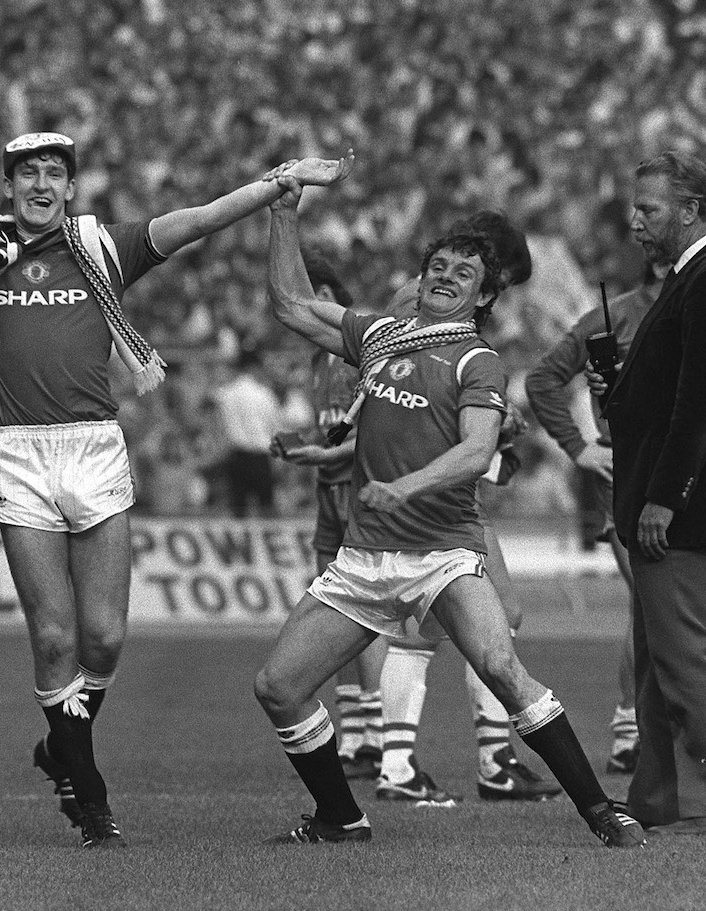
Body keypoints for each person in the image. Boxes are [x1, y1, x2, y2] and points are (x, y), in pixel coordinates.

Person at [0, 38, 352, 849]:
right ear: (10, 185)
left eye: (55, 173)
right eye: (29, 173)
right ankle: (88, 795)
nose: (42, 184)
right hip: (19, 453)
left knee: (105, 638)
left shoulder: (100, 246)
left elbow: (193, 222)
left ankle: (63, 740)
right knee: (51, 638)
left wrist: (275, 184)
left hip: (94, 447)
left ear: (70, 185)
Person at [255, 167, 644, 848]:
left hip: (443, 553)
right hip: (364, 558)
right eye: (438, 264)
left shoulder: (476, 360)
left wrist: (403, 487)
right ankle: (341, 817)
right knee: (278, 686)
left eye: (462, 272)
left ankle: (600, 811)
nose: (445, 274)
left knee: (500, 662)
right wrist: (284, 215)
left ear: (485, 295)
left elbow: (474, 453)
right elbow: (290, 304)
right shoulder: (379, 335)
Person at [369, 211, 561, 805]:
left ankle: (474, 760)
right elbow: (399, 380)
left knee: (481, 619)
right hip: (429, 482)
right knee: (459, 620)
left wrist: (489, 413)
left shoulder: (427, 296)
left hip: (435, 475)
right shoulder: (422, 304)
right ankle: (416, 764)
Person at [595, 150, 706, 835]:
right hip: (651, 503)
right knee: (654, 669)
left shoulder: (701, 281)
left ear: (691, 210)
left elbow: (698, 402)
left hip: (675, 513)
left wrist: (666, 495)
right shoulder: (683, 279)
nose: (636, 221)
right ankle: (661, 800)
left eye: (650, 209)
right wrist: (623, 392)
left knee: (683, 661)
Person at [526, 264, 664, 775]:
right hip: (627, 478)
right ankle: (632, 731)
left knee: (664, 607)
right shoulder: (612, 316)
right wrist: (579, 446)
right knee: (652, 604)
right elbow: (541, 379)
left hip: (687, 478)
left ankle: (643, 728)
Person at [269, 252, 386, 781]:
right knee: (330, 611)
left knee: (364, 616)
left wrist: (324, 452)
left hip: (357, 495)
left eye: (324, 300)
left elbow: (373, 435)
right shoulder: (318, 364)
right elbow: (335, 431)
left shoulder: (358, 359)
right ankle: (357, 733)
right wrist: (301, 446)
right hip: (327, 498)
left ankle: (378, 730)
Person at [212, 349, 281, 517]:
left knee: (238, 511)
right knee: (266, 510)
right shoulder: (265, 394)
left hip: (236, 457)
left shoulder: (225, 393)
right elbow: (275, 429)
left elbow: (217, 423)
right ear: (253, 367)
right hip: (260, 457)